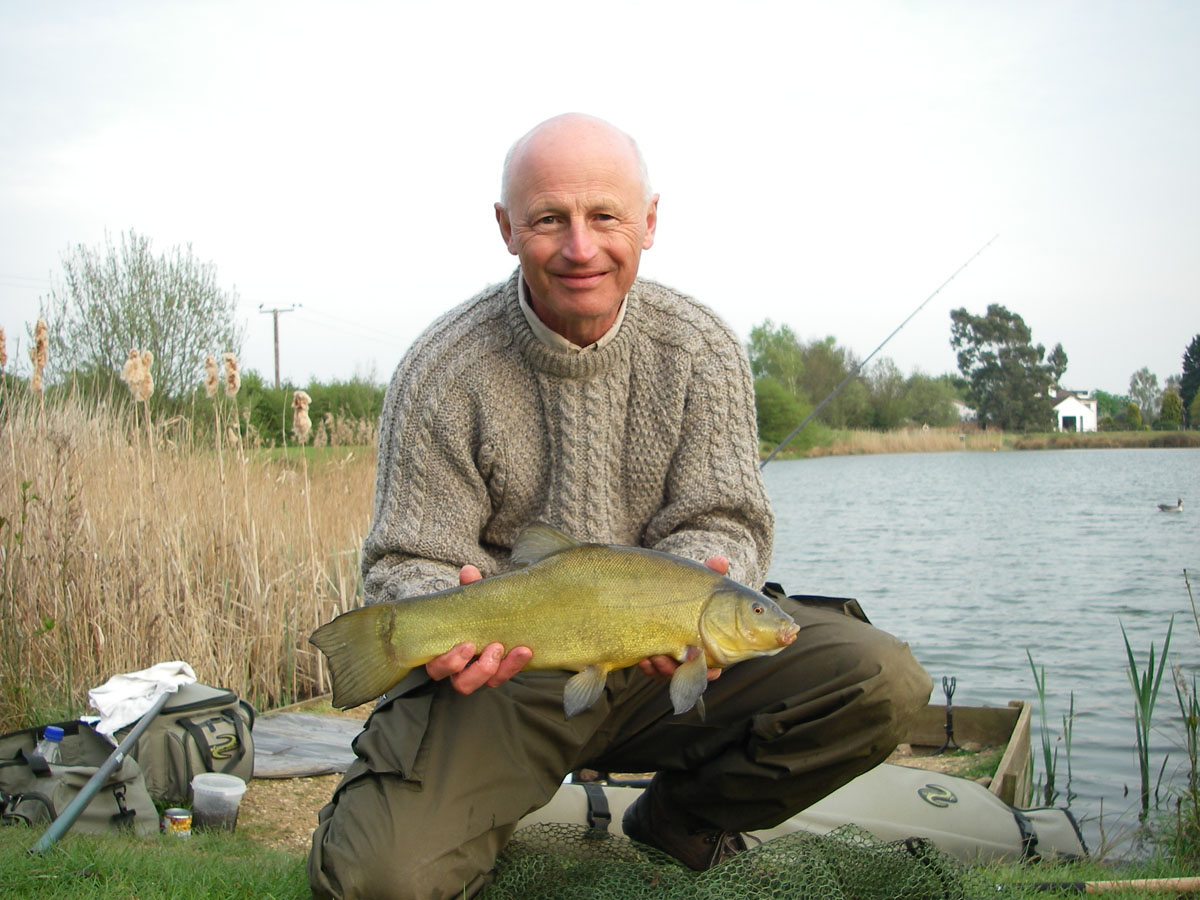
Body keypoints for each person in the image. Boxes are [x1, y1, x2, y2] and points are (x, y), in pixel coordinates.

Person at [307, 113, 932, 900]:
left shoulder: (702, 348)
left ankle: (683, 817)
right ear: (506, 228)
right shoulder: (443, 370)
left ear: (649, 222)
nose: (580, 247)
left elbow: (727, 519)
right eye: (548, 219)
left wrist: (713, 573)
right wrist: (437, 619)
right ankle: (439, 809)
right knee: (378, 883)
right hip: (512, 670)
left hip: (671, 659)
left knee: (882, 678)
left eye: (604, 216)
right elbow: (407, 558)